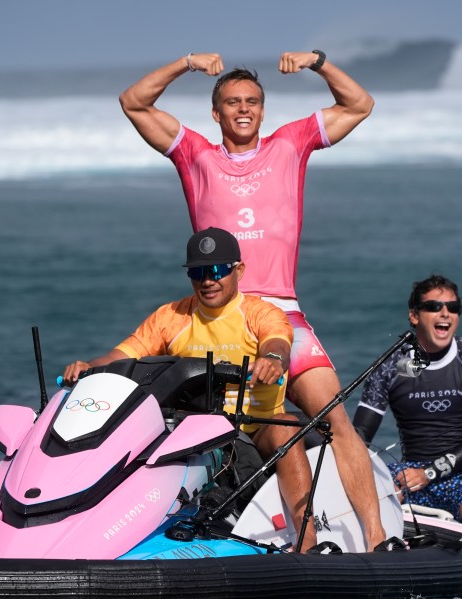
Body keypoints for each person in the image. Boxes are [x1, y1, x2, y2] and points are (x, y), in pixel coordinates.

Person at [119, 51, 386, 549]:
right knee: (272, 434)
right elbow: (133, 102)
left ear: (263, 112)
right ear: (216, 114)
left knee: (336, 418)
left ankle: (377, 542)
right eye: (232, 102)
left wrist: (318, 63)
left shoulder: (291, 143)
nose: (243, 109)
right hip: (223, 318)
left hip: (283, 312)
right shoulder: (194, 154)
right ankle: (298, 547)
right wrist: (184, 65)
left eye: (253, 102)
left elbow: (360, 104)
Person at [62, 227, 318, 552]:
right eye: (197, 273)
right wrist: (90, 368)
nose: (207, 281)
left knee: (287, 431)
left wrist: (271, 360)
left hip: (256, 427)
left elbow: (277, 344)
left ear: (238, 270)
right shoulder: (171, 317)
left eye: (216, 271)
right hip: (195, 430)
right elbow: (121, 356)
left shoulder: (261, 314)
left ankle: (307, 545)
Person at [353, 274, 462, 531]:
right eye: (434, 306)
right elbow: (360, 436)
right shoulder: (393, 366)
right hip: (410, 473)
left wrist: (430, 473)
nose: (445, 313)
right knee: (360, 502)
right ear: (414, 316)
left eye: (453, 308)